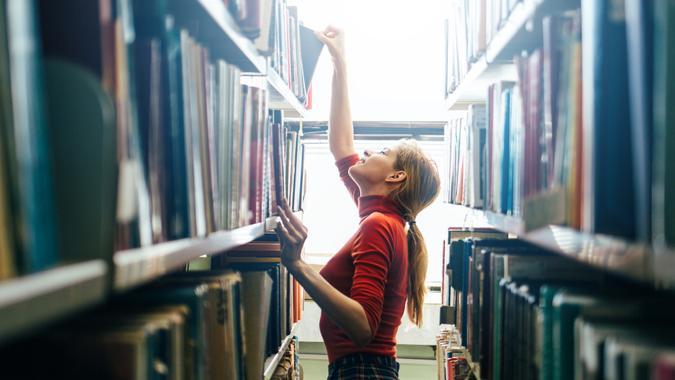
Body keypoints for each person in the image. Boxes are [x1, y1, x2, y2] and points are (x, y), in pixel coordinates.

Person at [275, 25, 441, 380]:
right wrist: (339, 63)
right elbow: (342, 145)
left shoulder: (379, 225)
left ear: (396, 178)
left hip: (361, 372)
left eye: (382, 151)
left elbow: (364, 327)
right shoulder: (382, 214)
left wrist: (298, 265)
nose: (367, 151)